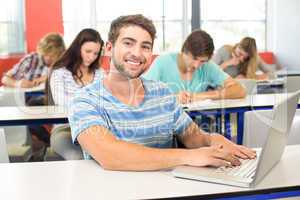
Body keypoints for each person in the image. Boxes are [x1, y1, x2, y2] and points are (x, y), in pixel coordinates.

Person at [68, 14, 256, 171]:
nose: (137, 53)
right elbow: (110, 155)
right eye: (128, 43)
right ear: (109, 48)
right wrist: (190, 156)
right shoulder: (85, 100)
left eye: (145, 46)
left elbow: (194, 137)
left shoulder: (162, 93)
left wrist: (215, 142)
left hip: (169, 190)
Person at [143, 30, 246, 104]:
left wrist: (200, 96)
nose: (197, 65)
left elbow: (239, 90)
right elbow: (141, 95)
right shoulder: (163, 62)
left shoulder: (207, 66)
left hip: (196, 125)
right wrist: (173, 98)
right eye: (194, 58)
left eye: (202, 61)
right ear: (184, 51)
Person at [48, 28, 104, 160]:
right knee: (77, 157)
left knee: (105, 155)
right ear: (77, 49)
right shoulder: (59, 73)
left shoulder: (100, 73)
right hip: (65, 129)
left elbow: (106, 102)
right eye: (88, 51)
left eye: (96, 53)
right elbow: (63, 103)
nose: (92, 57)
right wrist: (93, 101)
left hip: (95, 129)